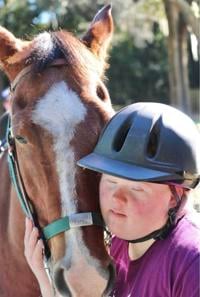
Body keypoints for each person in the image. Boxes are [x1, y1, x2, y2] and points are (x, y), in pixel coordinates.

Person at [24, 102, 200, 297]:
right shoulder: (117, 245)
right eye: (111, 181)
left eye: (137, 188)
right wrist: (46, 283)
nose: (117, 198)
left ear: (175, 197)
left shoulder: (191, 263)